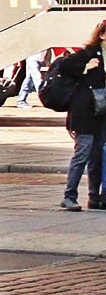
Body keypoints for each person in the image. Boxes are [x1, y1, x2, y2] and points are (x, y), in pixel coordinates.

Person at [54, 23, 106, 211]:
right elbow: (65, 65)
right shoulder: (89, 53)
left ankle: (94, 197)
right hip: (84, 113)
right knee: (82, 154)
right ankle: (69, 196)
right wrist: (85, 66)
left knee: (98, 155)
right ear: (102, 35)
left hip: (101, 113)